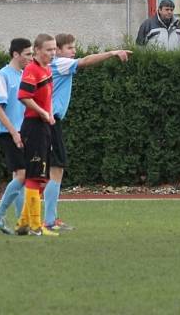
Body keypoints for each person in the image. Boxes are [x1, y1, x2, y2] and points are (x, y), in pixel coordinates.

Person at [45, 34, 132, 232]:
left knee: (51, 170)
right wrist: (112, 53)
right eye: (69, 47)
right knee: (55, 169)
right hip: (50, 121)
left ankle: (49, 217)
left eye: (73, 47)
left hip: (48, 121)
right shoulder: (60, 64)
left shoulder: (52, 66)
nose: (73, 51)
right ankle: (48, 219)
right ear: (57, 50)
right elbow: (85, 61)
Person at [15, 33, 58, 236]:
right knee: (35, 177)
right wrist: (42, 113)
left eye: (54, 49)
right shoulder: (32, 70)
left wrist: (48, 114)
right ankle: (35, 226)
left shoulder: (46, 69)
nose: (53, 53)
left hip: (43, 126)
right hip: (33, 126)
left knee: (41, 177)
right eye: (49, 49)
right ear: (38, 50)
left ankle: (23, 223)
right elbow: (23, 96)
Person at [0, 37, 33, 235]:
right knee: (22, 175)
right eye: (27, 54)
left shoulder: (24, 75)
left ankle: (22, 223)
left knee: (21, 177)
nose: (31, 58)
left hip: (22, 133)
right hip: (9, 133)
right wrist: (14, 133)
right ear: (15, 54)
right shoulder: (2, 76)